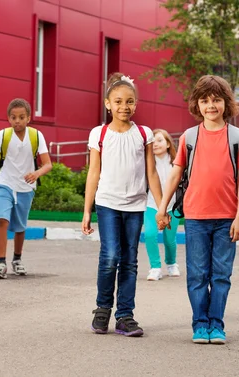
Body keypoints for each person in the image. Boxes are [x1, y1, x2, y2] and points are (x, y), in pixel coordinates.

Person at [156, 75, 239, 345]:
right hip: (196, 217)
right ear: (197, 105)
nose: (210, 105)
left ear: (226, 103)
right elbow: (176, 174)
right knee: (198, 274)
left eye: (216, 100)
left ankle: (216, 324)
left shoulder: (237, 137)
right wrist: (162, 208)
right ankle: (200, 324)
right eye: (204, 100)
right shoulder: (190, 137)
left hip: (227, 219)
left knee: (221, 275)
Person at [82, 73, 163, 337]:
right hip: (107, 204)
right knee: (110, 257)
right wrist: (87, 211)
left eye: (129, 101)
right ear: (108, 104)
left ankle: (125, 316)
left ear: (136, 104)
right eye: (118, 101)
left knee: (129, 261)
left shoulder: (144, 134)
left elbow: (152, 173)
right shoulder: (100, 134)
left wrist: (161, 207)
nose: (124, 107)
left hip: (136, 206)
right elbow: (93, 172)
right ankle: (103, 308)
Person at [0, 98, 52, 279]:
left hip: (26, 187)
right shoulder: (3, 135)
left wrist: (36, 174)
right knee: (2, 219)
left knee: (19, 226)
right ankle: (1, 263)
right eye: (13, 117)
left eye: (21, 117)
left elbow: (48, 164)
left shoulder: (36, 136)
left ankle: (17, 259)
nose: (17, 120)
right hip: (5, 183)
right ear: (8, 119)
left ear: (28, 118)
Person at [144, 129, 180, 281]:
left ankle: (171, 264)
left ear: (167, 143)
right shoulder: (146, 163)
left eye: (160, 140)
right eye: (153, 141)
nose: (156, 144)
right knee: (150, 234)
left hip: (173, 207)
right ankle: (155, 267)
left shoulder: (177, 163)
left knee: (169, 239)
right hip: (151, 205)